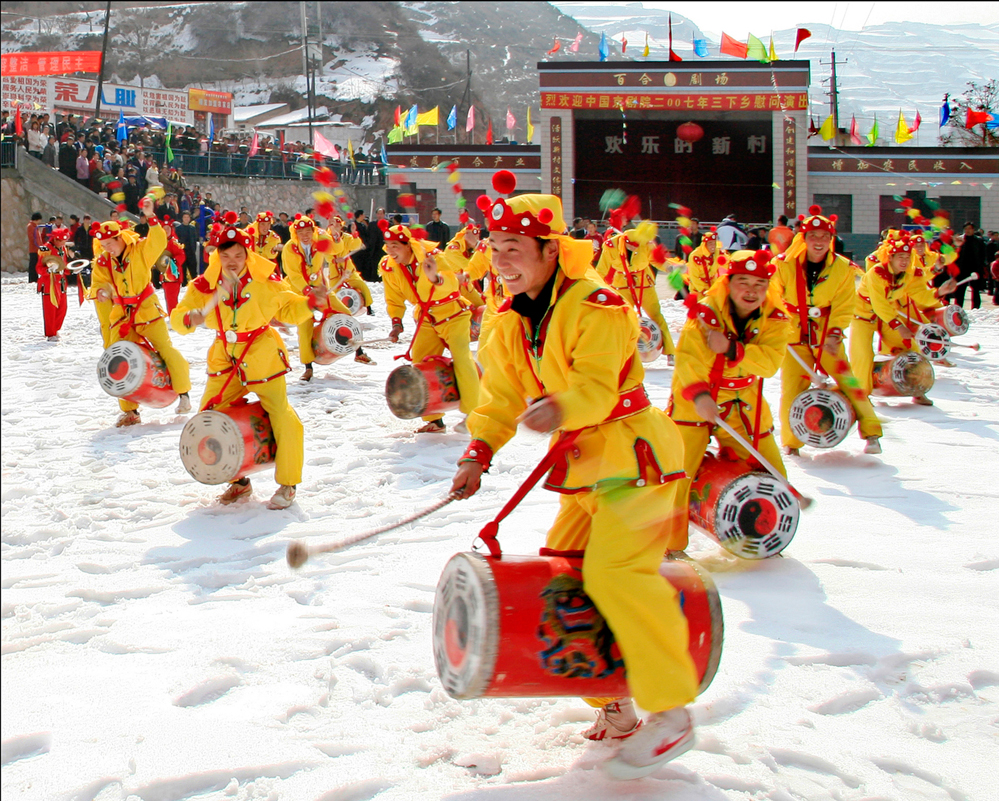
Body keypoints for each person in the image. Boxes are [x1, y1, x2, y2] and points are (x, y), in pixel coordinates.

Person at [449, 190, 699, 780]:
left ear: (550, 249)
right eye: (494, 248)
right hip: (585, 468)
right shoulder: (508, 321)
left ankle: (671, 710)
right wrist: (478, 451)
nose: (501, 259)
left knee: (617, 574)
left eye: (514, 248)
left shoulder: (599, 305)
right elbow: (502, 399)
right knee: (564, 578)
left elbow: (598, 386)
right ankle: (615, 703)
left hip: (636, 462)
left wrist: (562, 407)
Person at [171, 216, 323, 510]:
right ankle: (239, 482)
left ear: (248, 255)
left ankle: (288, 482)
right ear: (217, 256)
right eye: (225, 255)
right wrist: (190, 318)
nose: (232, 261)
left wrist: (311, 302)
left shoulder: (267, 283)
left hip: (260, 352)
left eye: (238, 255)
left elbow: (291, 309)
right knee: (211, 415)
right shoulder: (204, 286)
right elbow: (179, 316)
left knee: (280, 412)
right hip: (224, 355)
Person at [667, 249, 793, 544]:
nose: (751, 291)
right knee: (678, 475)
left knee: (770, 468)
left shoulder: (776, 318)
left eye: (759, 284)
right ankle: (670, 545)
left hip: (744, 400)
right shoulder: (704, 315)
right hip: (695, 400)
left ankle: (760, 536)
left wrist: (732, 349)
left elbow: (771, 362)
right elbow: (688, 362)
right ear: (728, 283)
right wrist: (700, 397)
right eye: (743, 282)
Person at [773, 206, 885, 455]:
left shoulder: (843, 268)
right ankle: (792, 442)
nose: (819, 242)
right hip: (793, 334)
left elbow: (845, 304)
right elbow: (772, 298)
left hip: (826, 334)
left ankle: (872, 432)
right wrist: (778, 328)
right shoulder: (783, 265)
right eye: (813, 236)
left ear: (832, 239)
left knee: (848, 381)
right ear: (803, 238)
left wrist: (835, 333)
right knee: (792, 387)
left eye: (825, 237)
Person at [89, 197, 193, 426]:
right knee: (118, 356)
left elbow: (157, 240)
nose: (107, 249)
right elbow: (98, 283)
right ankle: (130, 411)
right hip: (122, 314)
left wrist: (152, 216)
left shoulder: (139, 250)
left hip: (146, 308)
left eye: (110, 244)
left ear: (120, 238)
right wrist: (101, 292)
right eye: (104, 246)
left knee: (164, 348)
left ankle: (183, 392)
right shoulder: (105, 261)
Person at [380, 221, 479, 433]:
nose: (390, 250)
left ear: (408, 245)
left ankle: (474, 415)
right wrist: (396, 322)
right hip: (427, 319)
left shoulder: (432, 257)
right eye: (387, 245)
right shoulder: (389, 267)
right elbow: (393, 298)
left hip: (452, 313)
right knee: (419, 362)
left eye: (395, 246)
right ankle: (435, 420)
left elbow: (452, 282)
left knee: (462, 358)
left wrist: (435, 277)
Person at [850, 234, 934, 405]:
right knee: (862, 355)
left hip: (888, 314)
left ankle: (916, 388)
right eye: (900, 257)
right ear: (891, 257)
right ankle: (862, 396)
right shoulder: (876, 272)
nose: (904, 261)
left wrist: (939, 293)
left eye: (908, 257)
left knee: (909, 346)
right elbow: (879, 303)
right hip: (864, 315)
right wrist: (898, 325)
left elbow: (921, 290)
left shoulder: (907, 274)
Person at [280, 215, 360, 380]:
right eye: (301, 232)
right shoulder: (290, 248)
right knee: (304, 328)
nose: (305, 235)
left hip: (320, 288)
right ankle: (308, 367)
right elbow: (293, 275)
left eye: (308, 231)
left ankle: (359, 350)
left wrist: (336, 235)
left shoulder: (320, 240)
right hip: (299, 291)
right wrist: (307, 290)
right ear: (296, 234)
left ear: (313, 231)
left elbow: (336, 249)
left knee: (343, 312)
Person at [597, 224, 677, 360]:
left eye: (637, 246)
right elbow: (601, 269)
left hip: (643, 284)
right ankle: (623, 353)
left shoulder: (646, 243)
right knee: (623, 319)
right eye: (632, 247)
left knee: (657, 315)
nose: (635, 249)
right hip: (622, 284)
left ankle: (670, 352)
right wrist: (595, 286)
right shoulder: (611, 246)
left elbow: (657, 260)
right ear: (625, 242)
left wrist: (669, 267)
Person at [37, 227, 73, 340]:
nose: (63, 244)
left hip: (61, 283)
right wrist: (48, 271)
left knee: (62, 308)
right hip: (49, 283)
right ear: (56, 240)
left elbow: (64, 265)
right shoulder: (46, 249)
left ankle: (55, 329)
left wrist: (71, 270)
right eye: (62, 242)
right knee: (50, 310)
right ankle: (50, 333)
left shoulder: (63, 248)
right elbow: (39, 268)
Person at [684, 227, 727, 299]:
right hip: (698, 288)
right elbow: (693, 276)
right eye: (710, 243)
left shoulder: (717, 252)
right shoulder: (695, 255)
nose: (713, 246)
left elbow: (727, 260)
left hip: (712, 286)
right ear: (704, 244)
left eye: (714, 243)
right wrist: (703, 289)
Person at [954, 222, 985, 309]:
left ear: (973, 230)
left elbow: (982, 255)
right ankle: (958, 309)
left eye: (969, 228)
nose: (968, 230)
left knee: (975, 290)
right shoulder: (960, 240)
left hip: (975, 269)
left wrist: (981, 268)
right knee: (960, 290)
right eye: (966, 228)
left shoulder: (979, 241)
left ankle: (976, 309)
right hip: (961, 269)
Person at [27, 211, 44, 285]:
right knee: (33, 264)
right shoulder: (31, 226)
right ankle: (32, 279)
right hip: (34, 249)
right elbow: (32, 238)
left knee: (36, 263)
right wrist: (37, 245)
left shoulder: (35, 227)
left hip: (38, 248)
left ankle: (35, 278)